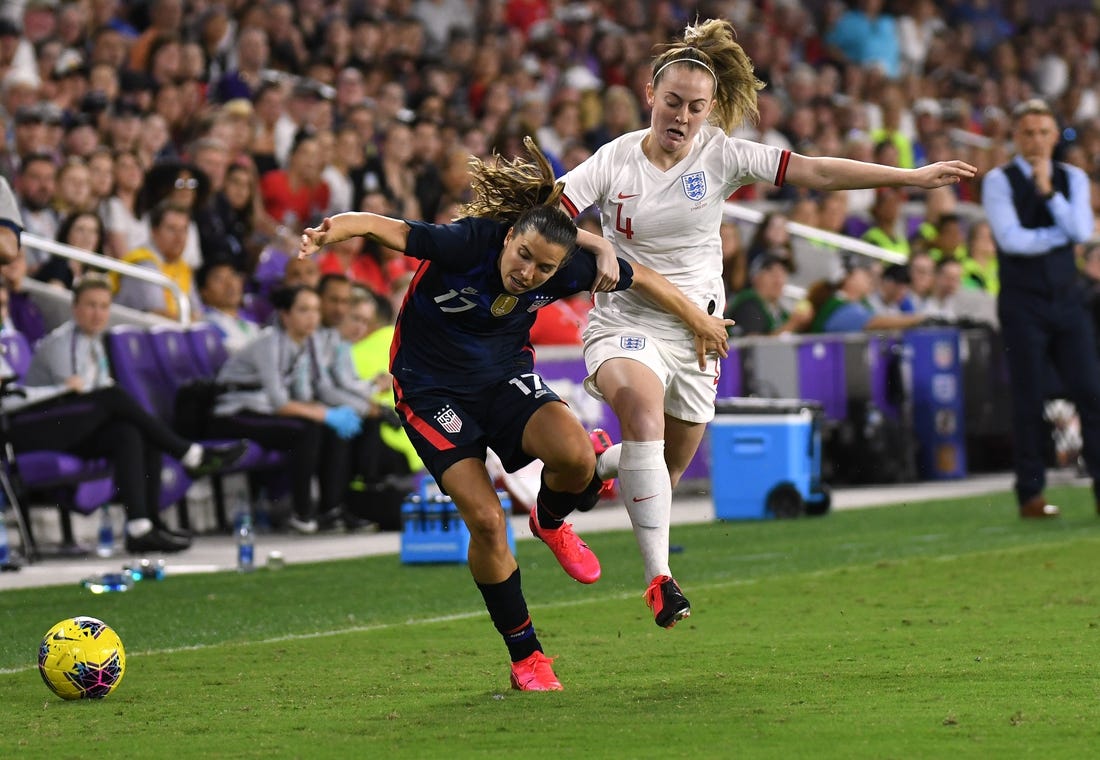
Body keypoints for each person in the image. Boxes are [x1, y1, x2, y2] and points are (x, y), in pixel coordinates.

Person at [557, 18, 975, 627]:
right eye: (672, 101)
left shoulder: (723, 154)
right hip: (627, 318)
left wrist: (908, 179)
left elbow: (817, 171)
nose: (681, 115)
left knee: (664, 469)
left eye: (696, 107)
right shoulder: (613, 161)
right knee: (642, 414)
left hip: (700, 330)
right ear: (651, 95)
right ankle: (660, 580)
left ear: (710, 110)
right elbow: (551, 212)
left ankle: (593, 467)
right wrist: (593, 243)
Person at [298, 137, 732, 691]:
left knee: (577, 458)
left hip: (503, 376)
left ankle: (550, 521)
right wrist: (341, 226)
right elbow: (394, 230)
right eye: (522, 255)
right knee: (484, 520)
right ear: (508, 238)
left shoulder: (568, 269)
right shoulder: (466, 242)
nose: (527, 272)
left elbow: (641, 277)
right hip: (431, 391)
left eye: (543, 267)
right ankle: (527, 655)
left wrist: (698, 318)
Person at [23, 277, 248, 551]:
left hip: (76, 424)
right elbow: (75, 398)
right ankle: (188, 453)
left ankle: (143, 527)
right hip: (41, 426)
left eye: (104, 306)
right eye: (91, 306)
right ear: (75, 308)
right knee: (114, 397)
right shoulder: (61, 342)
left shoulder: (94, 342)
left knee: (130, 432)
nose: (98, 313)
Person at [980, 99, 1100, 519]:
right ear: (1015, 137)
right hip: (1022, 301)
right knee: (1028, 398)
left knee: (1092, 391)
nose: (1036, 141)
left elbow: (1083, 231)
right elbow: (1011, 239)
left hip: (1068, 299)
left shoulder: (1072, 177)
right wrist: (1059, 232)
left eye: (1043, 132)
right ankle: (1030, 494)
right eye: (1028, 133)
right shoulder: (999, 180)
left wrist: (1048, 194)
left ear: (1055, 136)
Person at [208, 285, 365, 534]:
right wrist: (326, 414)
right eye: (303, 310)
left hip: (264, 411)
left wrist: (331, 411)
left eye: (315, 310)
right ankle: (302, 514)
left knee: (328, 430)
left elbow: (303, 395)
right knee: (308, 430)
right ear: (285, 315)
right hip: (234, 412)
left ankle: (331, 510)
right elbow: (280, 402)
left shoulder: (305, 345)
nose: (312, 317)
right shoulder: (268, 343)